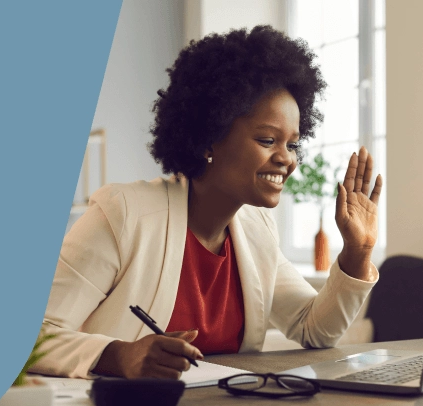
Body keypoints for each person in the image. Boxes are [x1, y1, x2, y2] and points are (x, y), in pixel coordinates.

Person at [31, 25, 383, 380]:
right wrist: (119, 355)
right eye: (267, 139)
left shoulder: (256, 231)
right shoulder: (123, 215)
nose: (287, 159)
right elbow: (35, 337)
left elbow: (313, 329)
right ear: (207, 139)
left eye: (292, 144)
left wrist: (358, 249)